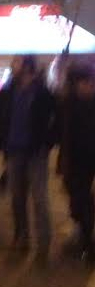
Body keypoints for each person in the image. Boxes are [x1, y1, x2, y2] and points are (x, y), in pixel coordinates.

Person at [0, 55, 55, 263]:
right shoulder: (9, 90)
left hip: (36, 153)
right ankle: (21, 237)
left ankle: (43, 244)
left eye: (17, 62)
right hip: (14, 151)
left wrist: (47, 143)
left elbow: (55, 119)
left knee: (39, 198)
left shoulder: (42, 92)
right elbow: (0, 114)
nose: (13, 65)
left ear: (28, 67)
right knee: (17, 197)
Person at [58, 64, 95, 260]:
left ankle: (87, 243)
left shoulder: (87, 104)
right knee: (76, 201)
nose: (89, 86)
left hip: (85, 162)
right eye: (85, 82)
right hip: (73, 161)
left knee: (83, 201)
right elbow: (65, 134)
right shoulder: (69, 104)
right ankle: (83, 237)